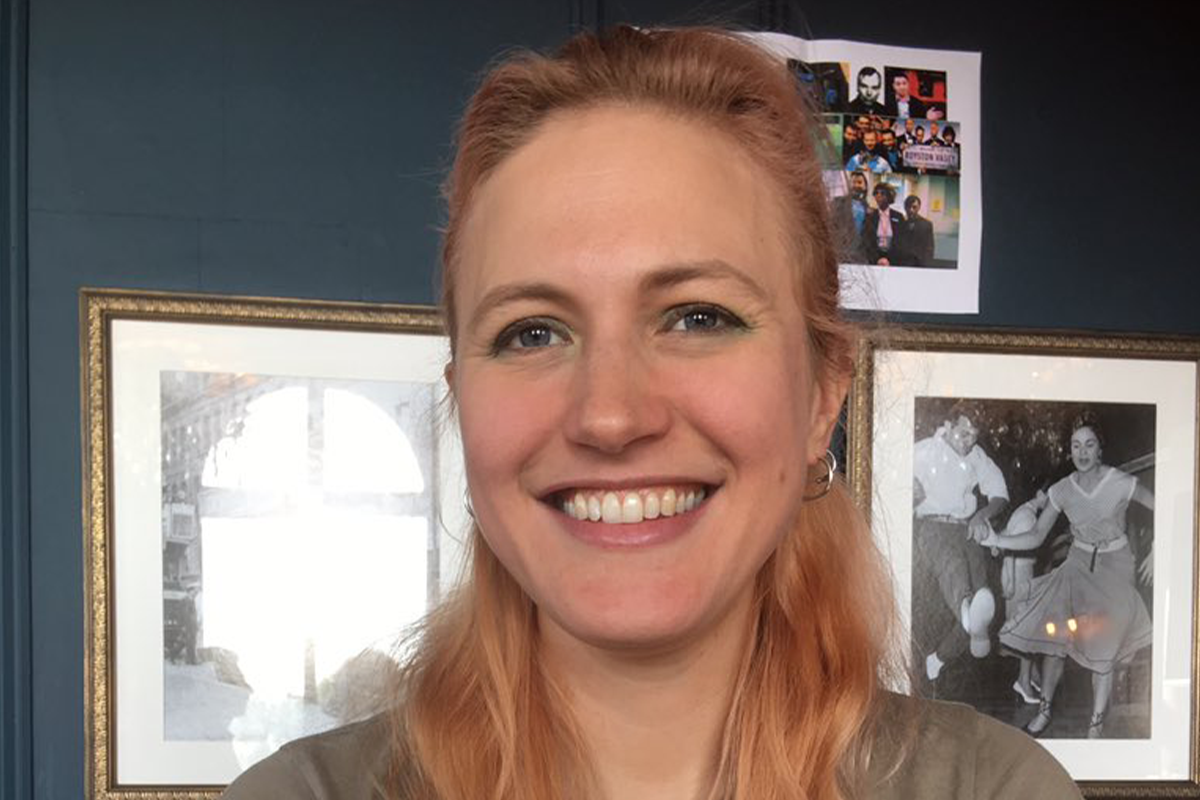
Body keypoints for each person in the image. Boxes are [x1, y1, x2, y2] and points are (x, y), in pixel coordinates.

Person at [222, 27, 1079, 800]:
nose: (609, 415)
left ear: (823, 393)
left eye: (698, 318)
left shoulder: (990, 789)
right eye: (532, 332)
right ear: (464, 403)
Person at [987, 416, 1154, 739]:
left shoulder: (1121, 482)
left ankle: (1095, 726)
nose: (1082, 452)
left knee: (1103, 651)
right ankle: (1044, 711)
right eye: (1076, 445)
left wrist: (1157, 545)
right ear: (1070, 450)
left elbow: (1166, 505)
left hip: (1115, 567)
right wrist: (997, 539)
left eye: (1089, 444)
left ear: (1100, 449)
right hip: (1077, 565)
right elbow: (1036, 535)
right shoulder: (1061, 489)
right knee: (1056, 639)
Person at [911, 403, 1009, 683]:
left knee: (983, 598)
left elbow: (1000, 495)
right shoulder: (924, 450)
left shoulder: (977, 456)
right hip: (934, 527)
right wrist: (911, 489)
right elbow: (892, 479)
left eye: (974, 436)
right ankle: (968, 614)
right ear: (948, 426)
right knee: (954, 572)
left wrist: (982, 515)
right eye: (963, 434)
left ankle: (939, 658)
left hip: (967, 530)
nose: (968, 442)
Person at [860, 182, 906, 265]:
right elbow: (866, 241)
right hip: (874, 260)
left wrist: (890, 260)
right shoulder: (870, 216)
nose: (878, 196)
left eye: (882, 193)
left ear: (889, 196)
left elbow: (901, 241)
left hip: (894, 260)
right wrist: (877, 259)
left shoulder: (898, 217)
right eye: (876, 193)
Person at [900, 194, 934, 266]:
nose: (911, 210)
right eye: (908, 207)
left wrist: (926, 264)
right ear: (905, 207)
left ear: (919, 207)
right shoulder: (901, 224)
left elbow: (929, 247)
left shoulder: (926, 224)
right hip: (903, 263)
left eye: (914, 207)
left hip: (920, 263)